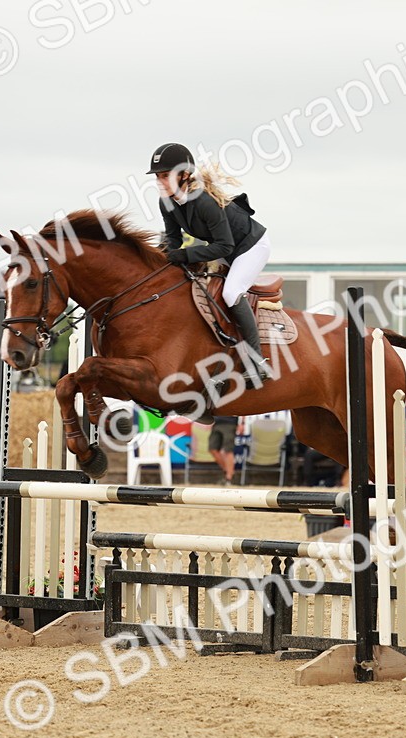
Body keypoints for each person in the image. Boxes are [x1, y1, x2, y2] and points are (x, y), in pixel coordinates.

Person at [147, 142, 273, 383]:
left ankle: (258, 362)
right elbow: (173, 240)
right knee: (203, 293)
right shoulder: (166, 202)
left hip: (251, 246)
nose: (160, 182)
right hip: (226, 247)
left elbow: (224, 246)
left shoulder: (203, 201)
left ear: (184, 175)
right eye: (157, 177)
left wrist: (183, 255)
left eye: (165, 176)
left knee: (231, 292)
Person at [208, 415, 238, 485]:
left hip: (230, 422)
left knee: (227, 451)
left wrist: (242, 423)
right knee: (212, 449)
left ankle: (229, 478)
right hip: (217, 422)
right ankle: (229, 471)